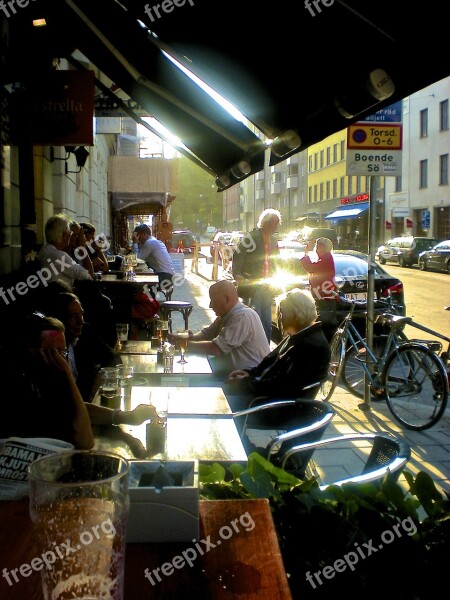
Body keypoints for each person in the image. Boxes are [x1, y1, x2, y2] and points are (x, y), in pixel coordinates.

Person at [224, 288, 331, 411]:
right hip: (266, 397)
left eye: (282, 313)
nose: (279, 318)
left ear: (297, 313)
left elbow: (283, 385)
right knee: (219, 388)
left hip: (273, 407)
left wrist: (245, 383)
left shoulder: (311, 346)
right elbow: (271, 364)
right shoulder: (300, 335)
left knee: (218, 402)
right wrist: (250, 374)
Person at [0, 313, 95, 449]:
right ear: (31, 350)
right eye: (53, 352)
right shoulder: (17, 387)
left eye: (62, 352)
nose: (60, 360)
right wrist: (68, 376)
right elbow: (85, 441)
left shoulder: (50, 381)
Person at [170, 280, 270, 375]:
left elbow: (216, 349)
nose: (210, 305)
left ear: (226, 299)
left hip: (245, 377)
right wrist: (192, 338)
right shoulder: (227, 314)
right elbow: (207, 333)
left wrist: (184, 345)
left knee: (191, 378)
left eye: (213, 300)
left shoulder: (242, 316)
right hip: (230, 371)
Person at [40, 291, 121, 402]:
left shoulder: (86, 333)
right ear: (59, 319)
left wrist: (101, 375)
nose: (80, 321)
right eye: (73, 316)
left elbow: (113, 357)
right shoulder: (51, 346)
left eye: (81, 314)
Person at [231, 208, 281, 342]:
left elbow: (276, 261)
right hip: (252, 283)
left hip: (267, 285)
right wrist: (237, 274)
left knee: (266, 318)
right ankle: (253, 343)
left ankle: (265, 346)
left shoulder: (273, 240)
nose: (275, 226)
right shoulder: (252, 237)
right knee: (255, 315)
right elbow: (238, 254)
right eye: (273, 223)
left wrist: (277, 276)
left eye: (277, 223)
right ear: (265, 222)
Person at [37, 213, 93, 289]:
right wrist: (83, 248)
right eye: (70, 233)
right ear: (64, 235)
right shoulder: (59, 256)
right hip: (62, 298)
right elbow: (89, 276)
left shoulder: (44, 250)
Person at [300, 236, 337, 341]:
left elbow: (310, 268)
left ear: (325, 249)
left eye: (318, 247)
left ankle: (326, 347)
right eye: (316, 247)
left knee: (325, 325)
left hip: (324, 297)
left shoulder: (326, 259)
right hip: (323, 295)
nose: (316, 250)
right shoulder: (325, 259)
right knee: (324, 324)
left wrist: (306, 253)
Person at [133, 224, 175, 297]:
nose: (137, 238)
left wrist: (135, 243)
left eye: (138, 236)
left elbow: (137, 260)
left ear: (144, 234)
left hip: (165, 277)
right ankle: (149, 303)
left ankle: (149, 305)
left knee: (138, 286)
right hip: (168, 275)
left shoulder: (150, 243)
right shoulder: (154, 241)